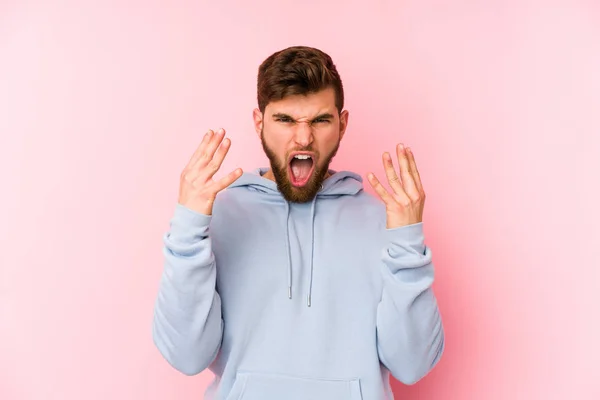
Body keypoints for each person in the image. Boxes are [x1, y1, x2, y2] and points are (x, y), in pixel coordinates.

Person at [152, 45, 444, 400]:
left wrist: (407, 240)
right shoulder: (218, 217)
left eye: (320, 120)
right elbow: (186, 356)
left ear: (342, 124)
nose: (303, 138)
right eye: (285, 120)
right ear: (259, 123)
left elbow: (413, 365)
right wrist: (188, 227)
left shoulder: (384, 221)